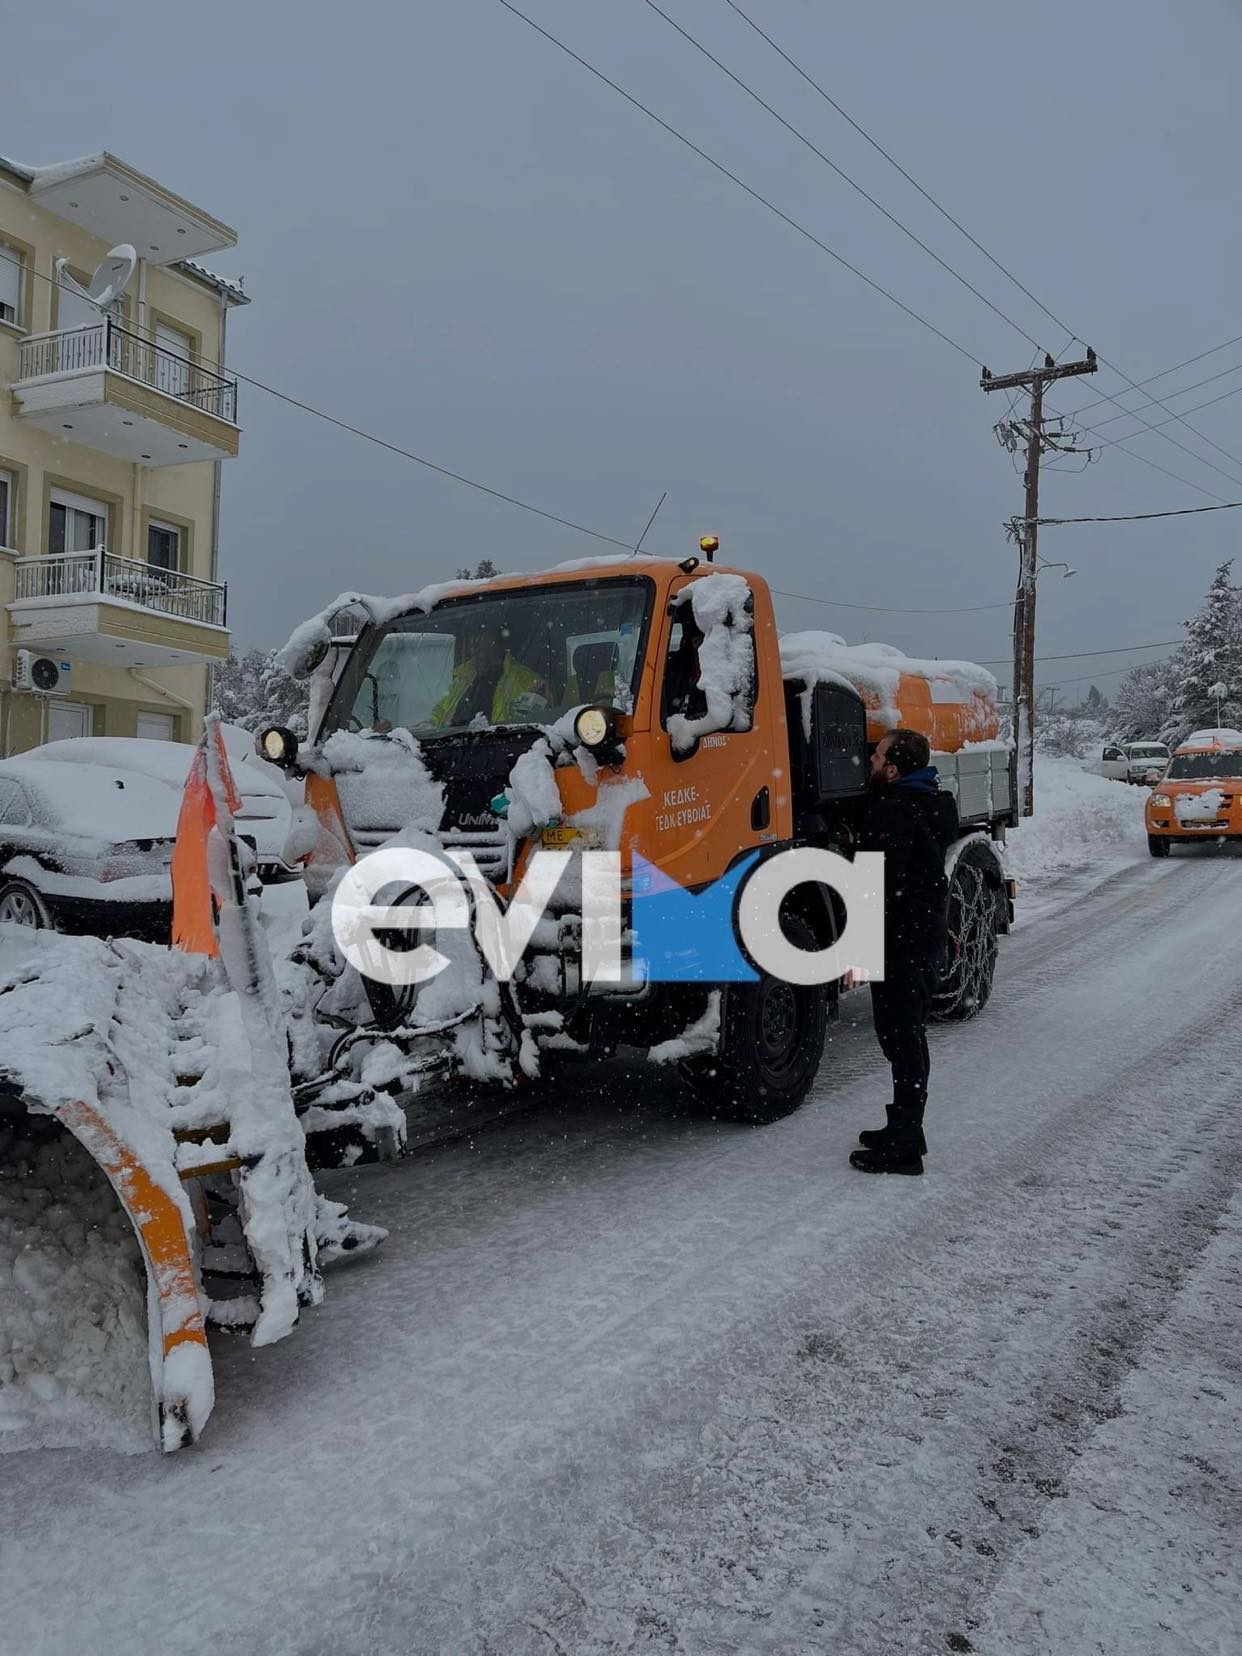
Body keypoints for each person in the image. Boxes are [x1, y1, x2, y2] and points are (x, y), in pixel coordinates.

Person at [846, 727, 958, 1176]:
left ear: (893, 769)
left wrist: (857, 949)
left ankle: (906, 1145)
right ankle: (906, 1126)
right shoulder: (929, 802)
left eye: (876, 756)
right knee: (906, 1035)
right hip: (920, 933)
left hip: (900, 939)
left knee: (901, 1037)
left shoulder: (893, 810)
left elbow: (877, 885)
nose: (869, 761)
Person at [430, 622, 548, 727]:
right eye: (476, 647)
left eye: (489, 647)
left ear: (502, 648)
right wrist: (427, 727)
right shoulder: (462, 680)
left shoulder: (527, 681)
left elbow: (528, 730)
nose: (482, 654)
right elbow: (439, 713)